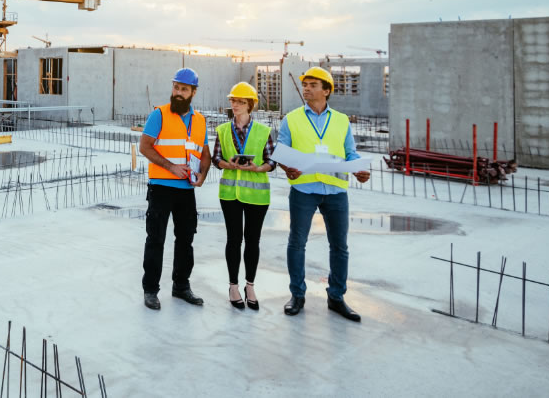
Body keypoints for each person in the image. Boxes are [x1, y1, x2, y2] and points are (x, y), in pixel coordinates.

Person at [278, 66, 372, 321]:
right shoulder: (292, 118)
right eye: (305, 84)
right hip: (304, 189)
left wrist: (359, 169)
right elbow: (282, 151)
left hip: (335, 192)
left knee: (339, 246)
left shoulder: (341, 120)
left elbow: (350, 152)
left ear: (326, 90)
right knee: (297, 243)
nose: (306, 89)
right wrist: (288, 168)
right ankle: (297, 294)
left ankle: (336, 296)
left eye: (312, 85)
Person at [136, 67, 211, 310]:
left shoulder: (200, 121)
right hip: (161, 187)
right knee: (156, 239)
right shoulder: (159, 114)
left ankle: (181, 286)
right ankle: (151, 290)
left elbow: (205, 155)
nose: (178, 93)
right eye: (176, 87)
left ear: (193, 92)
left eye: (183, 89)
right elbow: (145, 147)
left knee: (186, 239)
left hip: (186, 190)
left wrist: (201, 175)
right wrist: (171, 167)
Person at [212, 82, 275, 310]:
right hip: (230, 194)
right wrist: (225, 163)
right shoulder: (222, 130)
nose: (235, 105)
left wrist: (257, 168)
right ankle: (233, 286)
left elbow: (271, 161)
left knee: (252, 241)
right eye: (233, 101)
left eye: (240, 102)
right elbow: (216, 158)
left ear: (250, 105)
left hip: (257, 197)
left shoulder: (263, 131)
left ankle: (250, 285)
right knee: (233, 240)